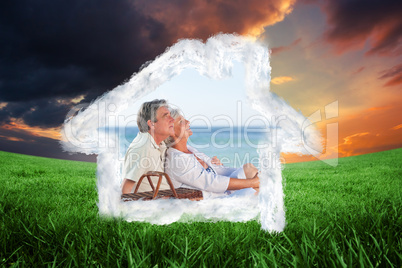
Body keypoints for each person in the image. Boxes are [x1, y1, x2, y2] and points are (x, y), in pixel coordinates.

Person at [164, 109, 260, 199]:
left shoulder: (189, 149)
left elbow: (215, 170)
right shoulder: (176, 160)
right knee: (256, 190)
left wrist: (218, 165)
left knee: (249, 169)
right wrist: (251, 182)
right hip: (213, 198)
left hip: (221, 189)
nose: (188, 122)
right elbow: (210, 182)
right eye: (181, 121)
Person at [121, 99, 174, 194]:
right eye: (166, 116)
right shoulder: (143, 146)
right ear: (151, 124)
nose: (172, 120)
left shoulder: (159, 144)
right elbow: (125, 187)